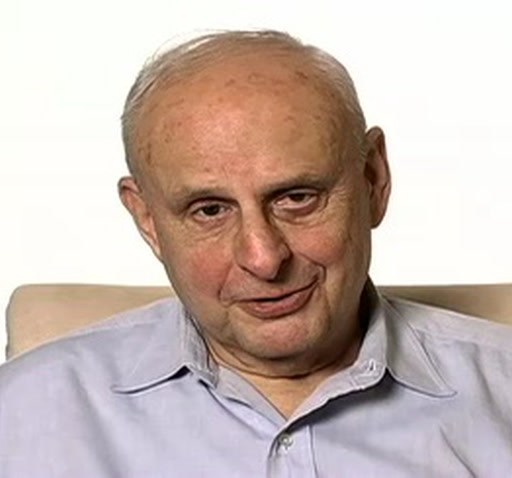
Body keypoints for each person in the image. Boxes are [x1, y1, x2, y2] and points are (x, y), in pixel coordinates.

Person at [0, 30, 511, 477]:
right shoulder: (22, 414)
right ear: (147, 220)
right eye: (209, 210)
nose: (264, 259)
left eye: (297, 198)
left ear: (373, 180)